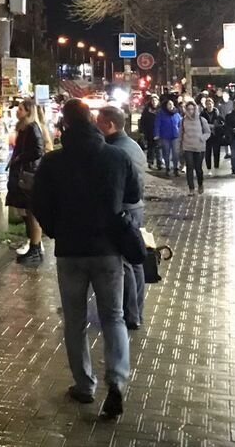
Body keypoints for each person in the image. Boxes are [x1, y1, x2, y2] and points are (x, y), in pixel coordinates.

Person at [33, 99, 139, 421]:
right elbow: (133, 195)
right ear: (92, 120)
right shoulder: (116, 157)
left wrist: (55, 230)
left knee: (75, 321)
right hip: (107, 249)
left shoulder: (53, 162)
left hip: (70, 251)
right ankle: (116, 381)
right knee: (114, 317)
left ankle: (84, 385)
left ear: (64, 124)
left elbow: (39, 203)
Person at [96, 106, 146, 330]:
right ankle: (136, 311)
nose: (96, 126)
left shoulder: (115, 150)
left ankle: (131, 314)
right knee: (134, 261)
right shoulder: (132, 145)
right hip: (135, 208)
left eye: (99, 122)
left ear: (110, 125)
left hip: (124, 210)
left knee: (125, 263)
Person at [7, 98, 47, 266]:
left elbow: (38, 150)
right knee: (27, 212)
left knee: (32, 212)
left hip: (29, 175)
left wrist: (19, 158)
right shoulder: (25, 128)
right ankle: (33, 246)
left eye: (21, 109)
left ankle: (35, 248)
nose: (18, 112)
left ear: (28, 112)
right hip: (25, 174)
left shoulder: (32, 128)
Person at [179, 100, 211, 194]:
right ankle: (191, 188)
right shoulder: (183, 120)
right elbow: (180, 134)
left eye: (192, 109)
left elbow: (207, 132)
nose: (190, 111)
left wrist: (202, 138)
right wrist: (180, 146)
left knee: (198, 168)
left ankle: (200, 184)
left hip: (199, 147)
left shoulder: (202, 120)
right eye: (188, 109)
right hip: (187, 147)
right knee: (189, 167)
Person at [154, 98, 183, 176]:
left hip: (175, 136)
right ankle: (168, 168)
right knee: (166, 153)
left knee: (175, 153)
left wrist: (181, 133)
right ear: (166, 105)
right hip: (165, 136)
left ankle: (176, 168)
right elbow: (157, 124)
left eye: (172, 104)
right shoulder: (161, 114)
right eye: (169, 104)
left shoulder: (176, 114)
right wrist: (157, 134)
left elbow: (180, 124)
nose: (171, 106)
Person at [201, 96, 225, 176]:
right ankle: (208, 169)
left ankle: (216, 168)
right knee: (207, 153)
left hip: (216, 136)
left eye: (210, 104)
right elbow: (200, 124)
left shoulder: (217, 113)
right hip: (207, 136)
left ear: (213, 104)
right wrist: (208, 126)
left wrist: (216, 126)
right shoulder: (202, 114)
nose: (209, 105)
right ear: (205, 105)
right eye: (207, 104)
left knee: (216, 152)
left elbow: (222, 124)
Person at [137, 97, 160, 170]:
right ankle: (150, 162)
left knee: (159, 148)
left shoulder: (160, 110)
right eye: (153, 100)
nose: (154, 102)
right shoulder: (147, 110)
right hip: (149, 131)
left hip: (159, 132)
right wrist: (141, 131)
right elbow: (143, 120)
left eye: (155, 100)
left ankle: (159, 163)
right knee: (151, 147)